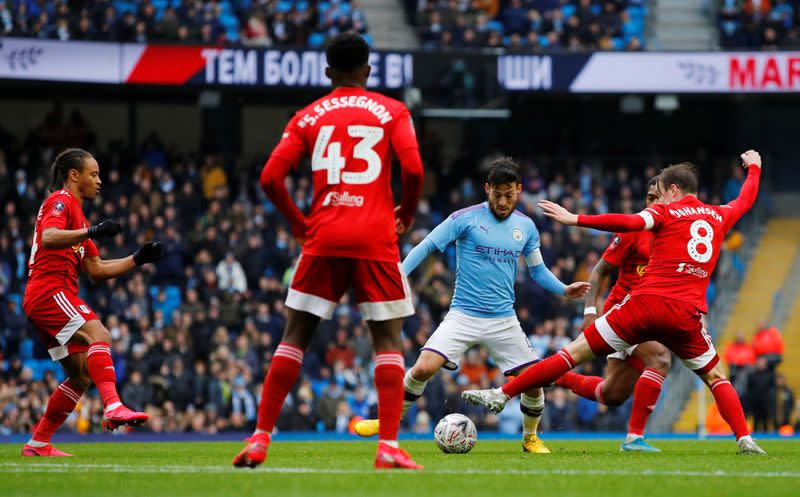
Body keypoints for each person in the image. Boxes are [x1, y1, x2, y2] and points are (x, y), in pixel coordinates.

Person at [463, 150, 767, 455]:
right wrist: (754, 168)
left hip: (642, 307)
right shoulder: (719, 214)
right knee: (714, 376)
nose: (658, 199)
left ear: (673, 190)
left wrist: (575, 219)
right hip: (686, 314)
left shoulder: (666, 213)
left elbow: (625, 220)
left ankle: (503, 394)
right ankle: (745, 439)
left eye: (661, 193)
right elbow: (746, 199)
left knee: (592, 372)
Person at [232, 32, 424, 470]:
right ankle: (388, 447)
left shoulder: (307, 115)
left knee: (294, 337)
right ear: (368, 70)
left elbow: (269, 178)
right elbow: (413, 168)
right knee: (388, 341)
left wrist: (300, 224)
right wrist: (406, 214)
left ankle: (260, 439)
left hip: (324, 236)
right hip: (375, 238)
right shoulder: (393, 112)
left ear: (327, 71)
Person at [353, 158, 589, 452]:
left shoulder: (526, 227)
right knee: (424, 367)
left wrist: (565, 289)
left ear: (519, 190)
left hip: (504, 319)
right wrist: (398, 275)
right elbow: (426, 245)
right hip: (463, 314)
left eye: (509, 195)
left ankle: (530, 438)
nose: (503, 202)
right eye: (497, 195)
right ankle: (386, 421)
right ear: (487, 189)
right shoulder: (464, 218)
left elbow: (537, 271)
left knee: (532, 382)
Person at [21, 148, 163, 457]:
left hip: (46, 298)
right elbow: (49, 236)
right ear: (74, 175)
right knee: (101, 335)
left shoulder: (78, 218)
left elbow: (96, 271)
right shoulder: (61, 202)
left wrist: (138, 258)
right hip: (49, 290)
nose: (99, 181)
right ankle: (113, 408)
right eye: (94, 174)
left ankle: (37, 443)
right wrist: (92, 230)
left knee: (82, 374)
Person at [555, 176, 671, 452]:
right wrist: (590, 310)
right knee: (660, 357)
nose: (652, 203)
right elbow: (600, 271)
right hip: (624, 312)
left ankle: (556, 376)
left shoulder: (673, 234)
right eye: (649, 197)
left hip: (649, 317)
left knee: (613, 394)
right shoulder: (634, 230)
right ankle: (634, 439)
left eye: (658, 198)